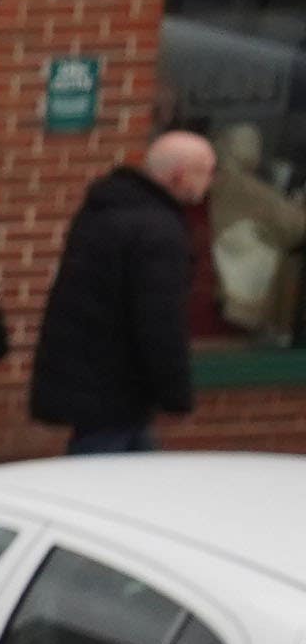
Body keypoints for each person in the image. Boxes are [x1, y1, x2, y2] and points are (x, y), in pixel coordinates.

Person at [32, 126, 217, 455]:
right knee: (105, 475)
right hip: (117, 384)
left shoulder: (106, 210)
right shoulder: (158, 231)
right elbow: (160, 319)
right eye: (204, 173)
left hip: (92, 374)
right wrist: (175, 394)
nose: (209, 182)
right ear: (178, 176)